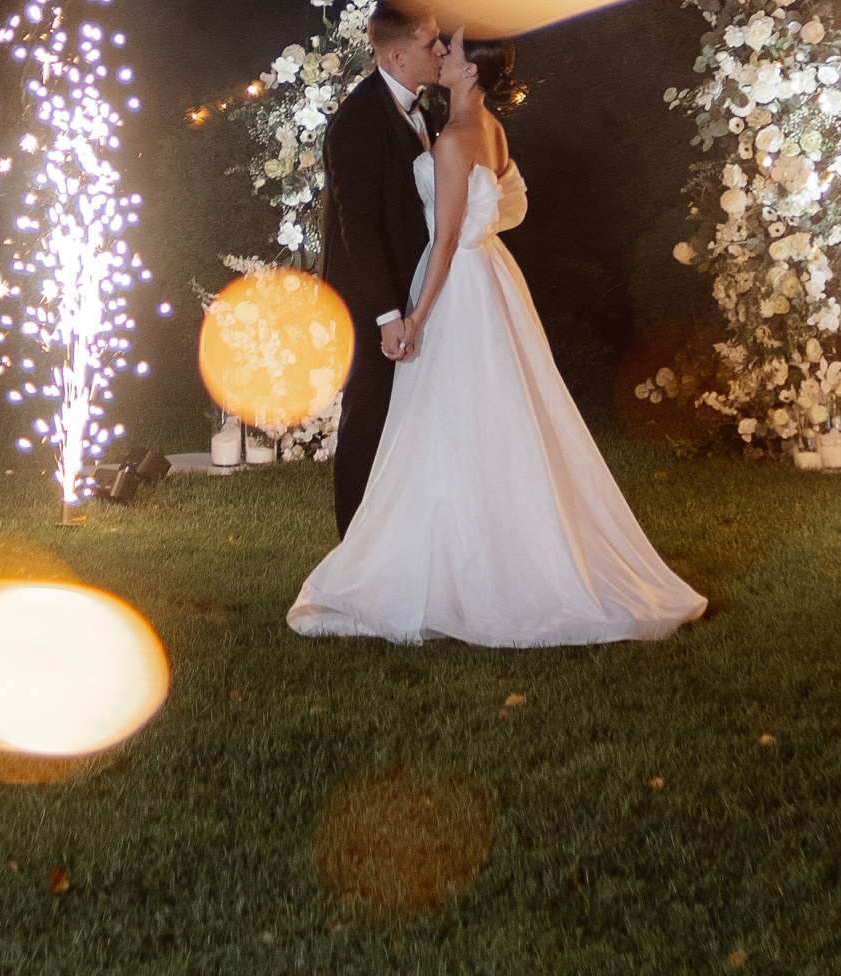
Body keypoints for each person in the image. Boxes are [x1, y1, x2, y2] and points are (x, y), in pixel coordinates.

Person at [289, 36, 706, 646]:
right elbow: (504, 207)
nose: (440, 53)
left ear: (468, 69)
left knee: (446, 419)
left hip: (455, 286)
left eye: (449, 49)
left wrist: (416, 318)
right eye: (435, 45)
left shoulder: (456, 137)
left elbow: (450, 237)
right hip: (489, 277)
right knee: (484, 418)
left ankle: (444, 568)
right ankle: (470, 548)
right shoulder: (486, 128)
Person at [317, 0, 443, 537]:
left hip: (412, 291)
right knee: (367, 418)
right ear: (395, 54)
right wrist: (388, 314)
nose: (440, 50)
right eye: (429, 43)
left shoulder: (423, 109)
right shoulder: (357, 122)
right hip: (370, 298)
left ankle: (400, 535)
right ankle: (353, 547)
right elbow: (359, 230)